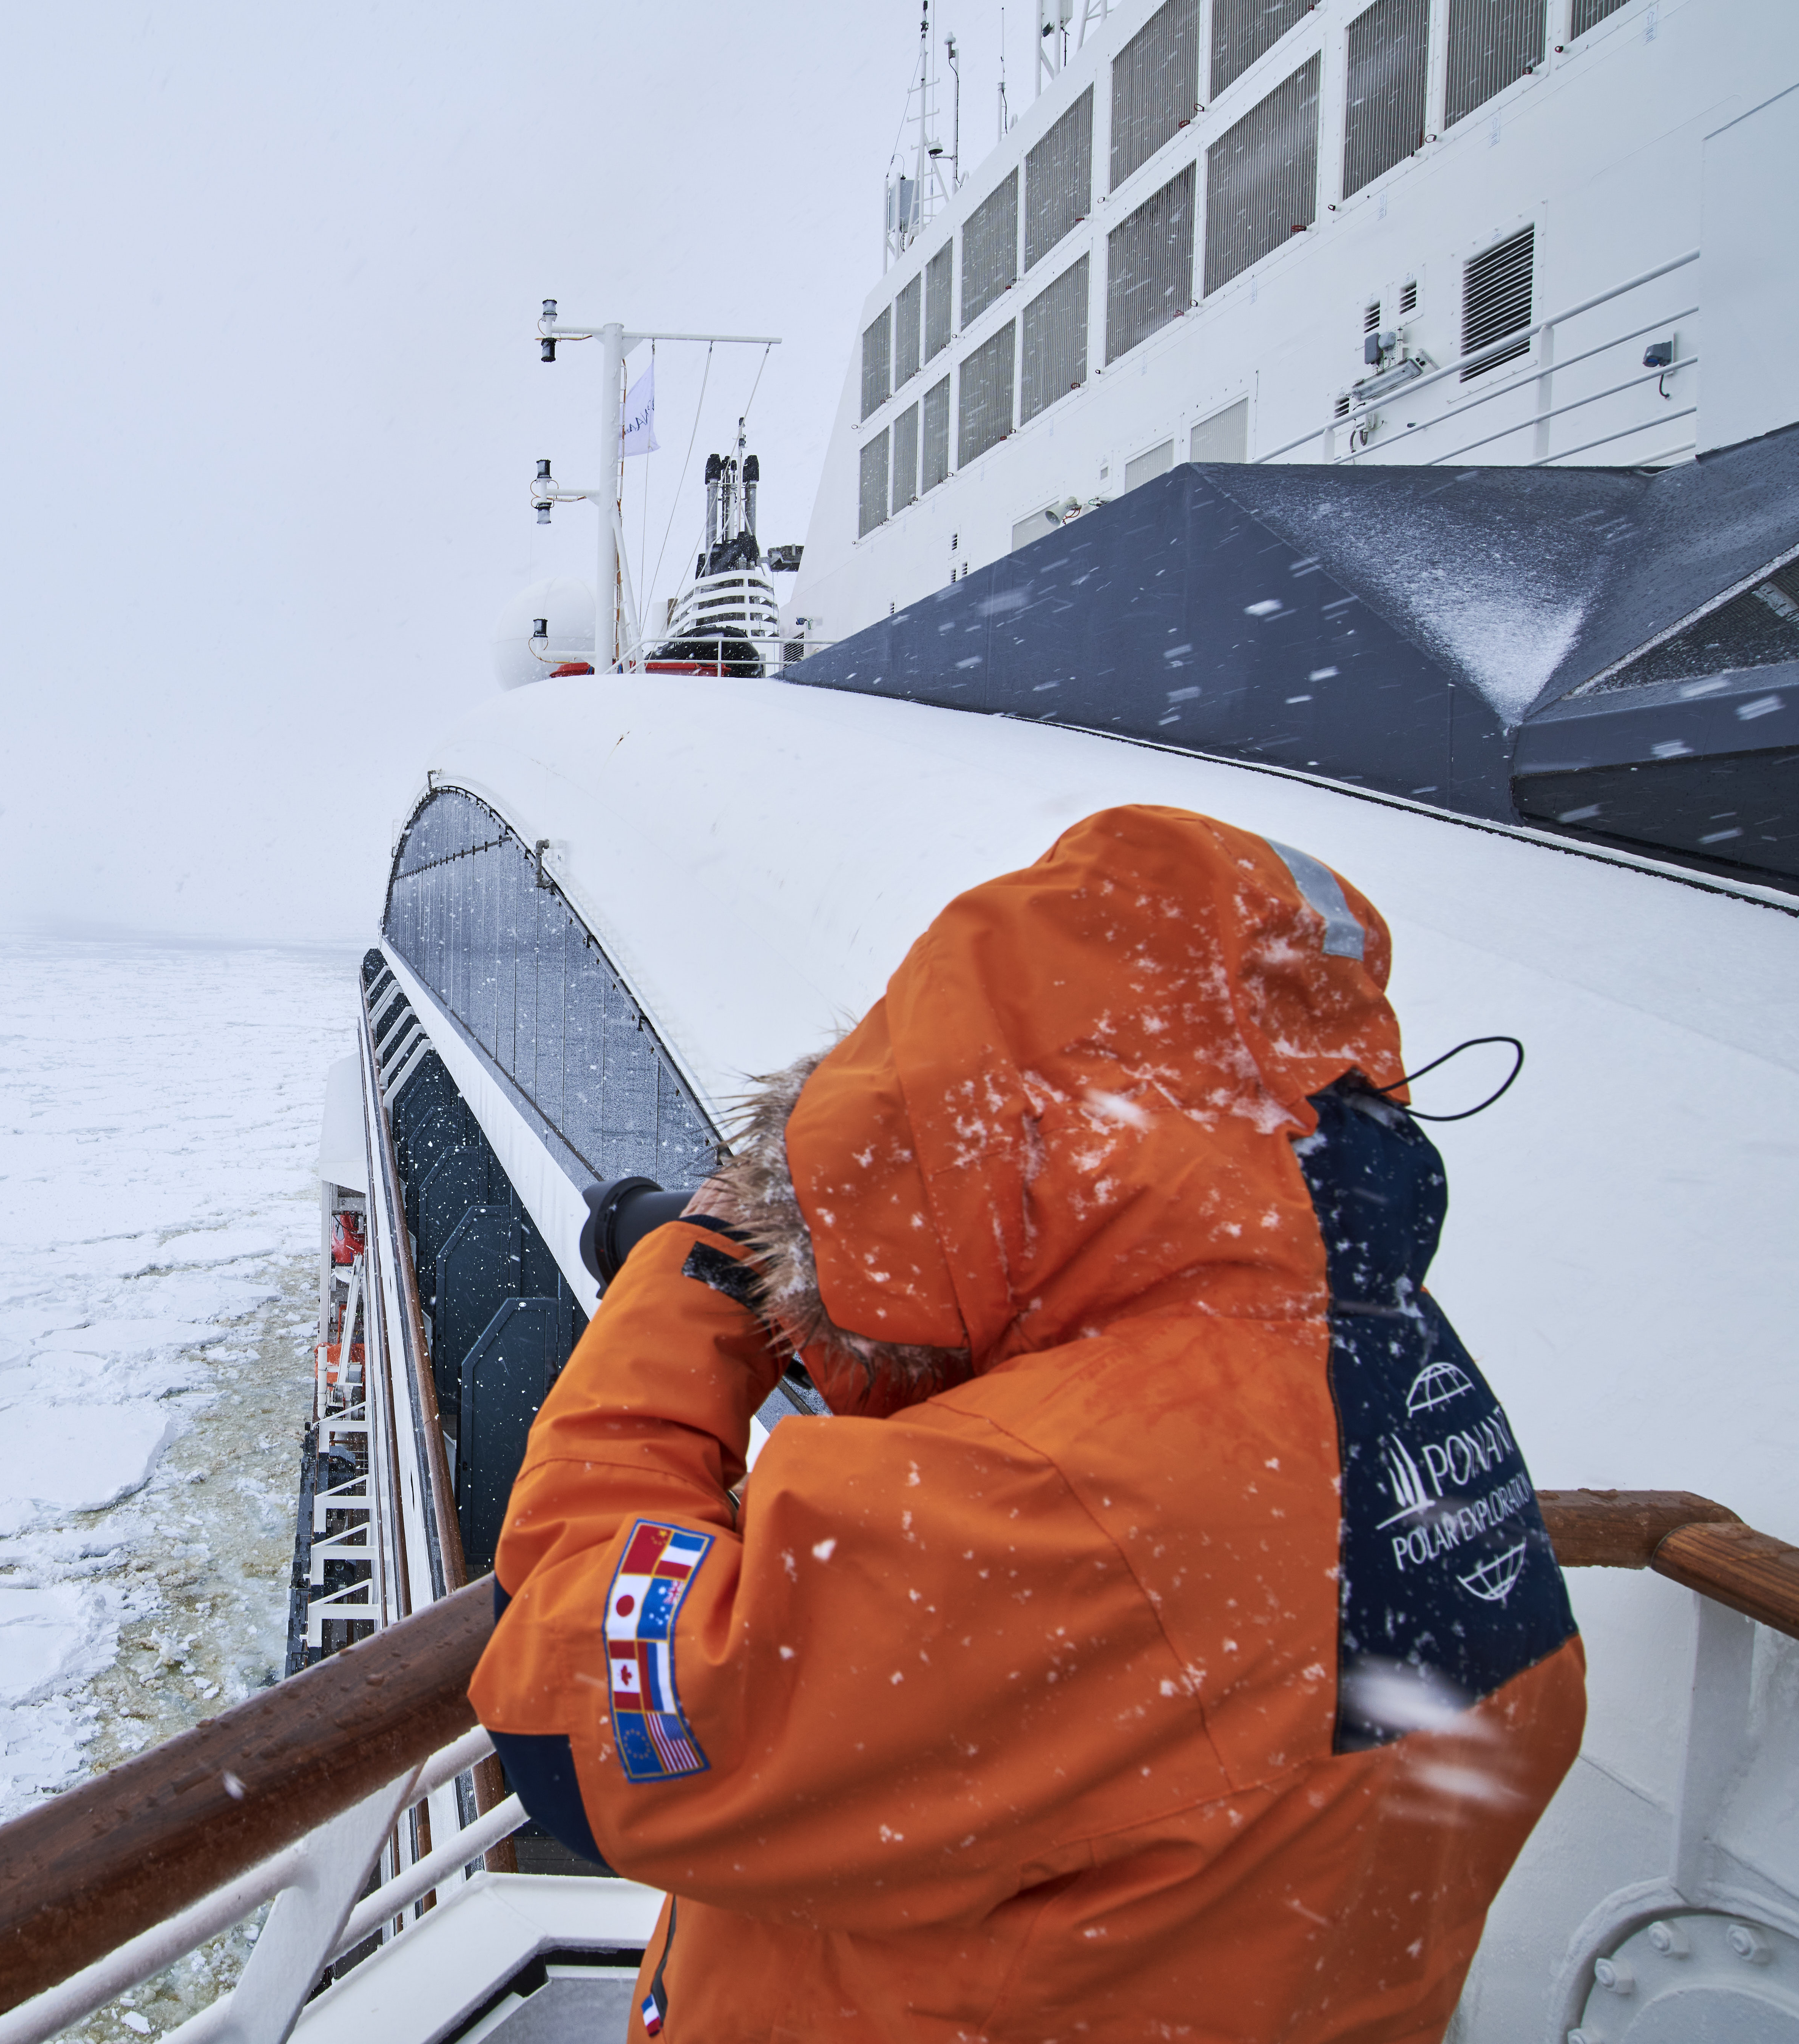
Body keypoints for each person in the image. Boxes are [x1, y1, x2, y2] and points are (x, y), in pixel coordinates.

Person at [468, 805, 1584, 2042]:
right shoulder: (1385, 1368)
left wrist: (693, 1283)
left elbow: (572, 1722)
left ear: (1000, 1149)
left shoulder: (1063, 1502)